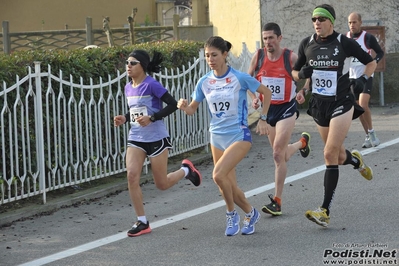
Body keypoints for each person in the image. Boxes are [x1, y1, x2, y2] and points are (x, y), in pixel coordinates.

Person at [291, 4, 377, 227]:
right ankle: (356, 160)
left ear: (331, 22)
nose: (316, 23)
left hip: (342, 102)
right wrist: (300, 74)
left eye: (321, 19)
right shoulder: (306, 44)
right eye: (314, 19)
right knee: (338, 156)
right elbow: (293, 72)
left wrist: (362, 81)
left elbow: (371, 62)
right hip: (320, 105)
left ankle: (324, 210)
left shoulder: (343, 42)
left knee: (329, 153)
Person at [177, 36, 272, 236]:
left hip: (238, 134)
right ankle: (251, 213)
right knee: (227, 185)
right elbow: (193, 109)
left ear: (225, 55)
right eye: (207, 56)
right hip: (217, 136)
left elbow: (266, 92)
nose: (210, 59)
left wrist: (263, 118)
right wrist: (185, 107)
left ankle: (231, 214)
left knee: (218, 175)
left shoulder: (239, 77)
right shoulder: (204, 82)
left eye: (214, 55)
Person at [113, 49, 202, 237]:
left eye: (132, 63)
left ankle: (186, 170)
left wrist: (152, 118)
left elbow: (171, 104)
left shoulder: (152, 84)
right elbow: (136, 111)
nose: (128, 66)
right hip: (136, 138)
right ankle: (142, 221)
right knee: (131, 176)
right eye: (127, 63)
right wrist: (125, 118)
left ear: (142, 66)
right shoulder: (128, 87)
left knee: (161, 184)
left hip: (156, 138)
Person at [247, 22, 311, 216]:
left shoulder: (289, 57)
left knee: (276, 154)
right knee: (281, 155)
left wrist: (303, 91)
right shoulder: (258, 57)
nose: (268, 42)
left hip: (286, 108)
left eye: (271, 38)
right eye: (265, 38)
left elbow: (308, 74)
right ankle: (301, 143)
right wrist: (255, 98)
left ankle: (277, 201)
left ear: (279, 38)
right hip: (268, 111)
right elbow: (247, 80)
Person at [347, 12, 384, 148]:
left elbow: (380, 52)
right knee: (357, 108)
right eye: (350, 22)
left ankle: (372, 132)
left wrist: (374, 62)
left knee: (363, 105)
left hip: (366, 75)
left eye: (354, 22)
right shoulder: (345, 38)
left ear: (360, 23)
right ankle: (368, 135)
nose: (352, 25)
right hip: (352, 76)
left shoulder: (367, 38)